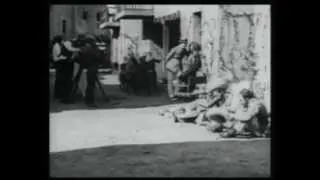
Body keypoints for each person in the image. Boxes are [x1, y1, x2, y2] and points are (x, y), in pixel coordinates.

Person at [74, 36, 103, 107]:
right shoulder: (95, 49)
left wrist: (82, 62)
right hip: (92, 69)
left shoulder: (84, 49)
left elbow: (76, 59)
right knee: (91, 86)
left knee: (88, 85)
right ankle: (90, 101)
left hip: (84, 68)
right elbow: (100, 59)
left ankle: (88, 100)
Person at [52, 35, 80, 103]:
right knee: (61, 79)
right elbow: (59, 55)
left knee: (60, 79)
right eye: (61, 39)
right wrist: (68, 58)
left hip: (60, 62)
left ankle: (59, 94)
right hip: (59, 62)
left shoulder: (58, 45)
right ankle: (60, 94)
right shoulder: (57, 45)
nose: (63, 41)